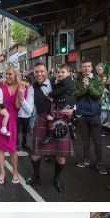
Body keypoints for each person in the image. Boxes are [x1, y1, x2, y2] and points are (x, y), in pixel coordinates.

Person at [26, 62, 74, 192]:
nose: (39, 74)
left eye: (42, 71)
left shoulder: (57, 81)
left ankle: (57, 178)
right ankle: (36, 175)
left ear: (47, 71)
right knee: (35, 153)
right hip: (41, 119)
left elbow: (71, 94)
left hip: (60, 120)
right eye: (36, 72)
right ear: (33, 73)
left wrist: (73, 109)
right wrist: (21, 99)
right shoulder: (31, 88)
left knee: (61, 154)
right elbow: (29, 107)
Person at [0, 65, 23, 184]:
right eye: (6, 74)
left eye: (10, 74)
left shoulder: (21, 87)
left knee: (12, 148)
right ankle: (2, 171)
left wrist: (20, 95)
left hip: (11, 118)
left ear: (15, 75)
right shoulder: (0, 84)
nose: (7, 76)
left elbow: (18, 106)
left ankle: (15, 170)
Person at [74, 59, 107, 174]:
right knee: (85, 139)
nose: (86, 68)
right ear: (81, 68)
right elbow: (76, 94)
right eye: (84, 66)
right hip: (83, 114)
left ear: (91, 68)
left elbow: (97, 94)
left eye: (88, 66)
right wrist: (83, 88)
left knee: (97, 140)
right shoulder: (77, 79)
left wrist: (88, 87)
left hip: (94, 114)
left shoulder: (97, 79)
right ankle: (85, 159)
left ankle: (100, 163)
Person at [17, 75, 35, 151]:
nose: (25, 82)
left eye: (27, 81)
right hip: (17, 114)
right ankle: (16, 143)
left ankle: (24, 143)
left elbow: (29, 110)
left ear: (30, 83)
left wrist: (22, 100)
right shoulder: (19, 88)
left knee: (25, 131)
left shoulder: (31, 91)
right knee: (16, 131)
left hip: (26, 116)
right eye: (25, 80)